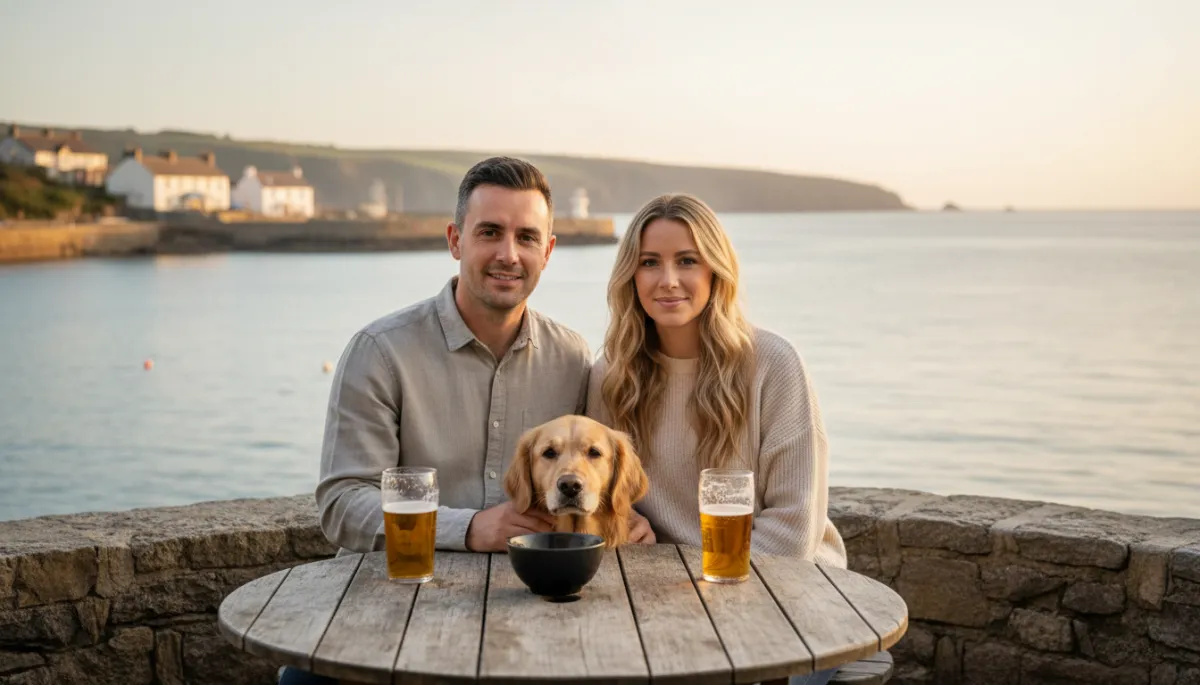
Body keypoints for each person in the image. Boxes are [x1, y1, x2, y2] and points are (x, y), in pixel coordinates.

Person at [282, 157, 598, 685]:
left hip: (527, 611)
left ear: (547, 251)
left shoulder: (573, 358)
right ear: (455, 240)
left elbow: (590, 478)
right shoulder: (380, 352)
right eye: (490, 233)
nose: (508, 254)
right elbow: (341, 505)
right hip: (392, 608)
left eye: (526, 237)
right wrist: (469, 528)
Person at [585, 193, 848, 685]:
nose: (668, 280)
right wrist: (623, 520)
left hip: (791, 596)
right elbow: (600, 499)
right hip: (664, 600)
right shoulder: (610, 377)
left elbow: (793, 533)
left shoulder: (773, 364)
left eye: (687, 260)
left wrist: (688, 589)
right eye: (649, 263)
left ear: (716, 272)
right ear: (630, 276)